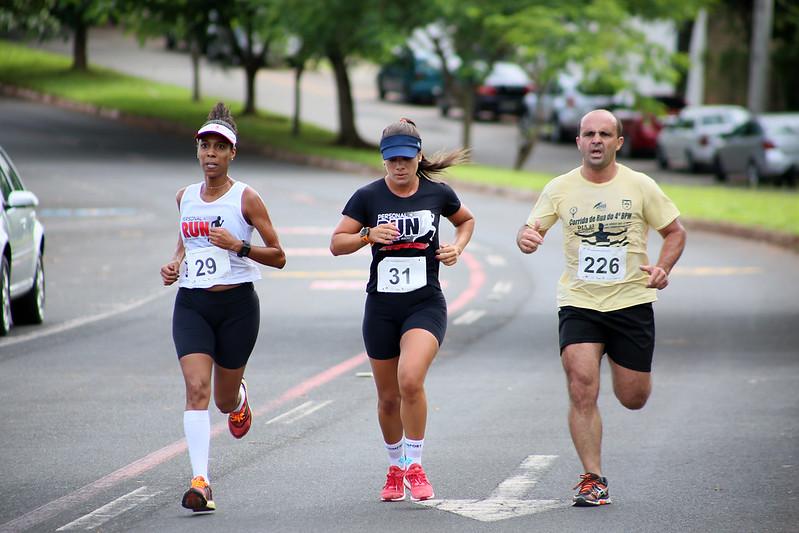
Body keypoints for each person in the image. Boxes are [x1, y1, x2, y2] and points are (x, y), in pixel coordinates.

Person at [516, 109, 686, 507]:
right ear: (578, 142)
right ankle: (593, 478)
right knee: (581, 387)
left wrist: (663, 267)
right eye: (588, 133)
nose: (596, 140)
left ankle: (622, 366)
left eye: (604, 134)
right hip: (579, 302)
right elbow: (532, 228)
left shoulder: (640, 185)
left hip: (631, 302)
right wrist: (526, 236)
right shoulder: (559, 188)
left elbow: (674, 231)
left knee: (633, 397)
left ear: (618, 143)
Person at [330, 118, 475, 502]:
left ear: (418, 156)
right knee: (388, 397)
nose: (399, 166)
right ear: (383, 160)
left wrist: (457, 248)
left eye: (405, 159)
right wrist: (366, 235)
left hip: (424, 303)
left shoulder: (437, 194)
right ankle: (395, 467)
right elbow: (336, 243)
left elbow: (466, 221)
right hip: (381, 308)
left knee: (410, 379)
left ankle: (416, 465)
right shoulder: (368, 197)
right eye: (391, 159)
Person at [160, 102, 286, 512]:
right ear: (197, 152)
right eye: (205, 147)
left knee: (223, 399)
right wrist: (175, 264)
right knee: (196, 389)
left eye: (219, 147)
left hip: (237, 306)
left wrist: (240, 246)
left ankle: (239, 401)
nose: (211, 154)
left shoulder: (246, 199)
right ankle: (201, 480)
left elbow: (279, 255)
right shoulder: (185, 196)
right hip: (193, 303)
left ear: (233, 153)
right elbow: (186, 242)